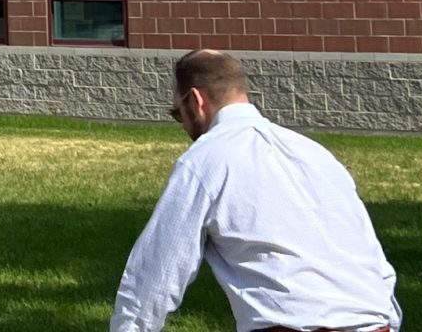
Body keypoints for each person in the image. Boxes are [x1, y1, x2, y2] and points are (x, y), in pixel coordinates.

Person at [111, 50, 401, 332]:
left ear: (196, 101)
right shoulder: (316, 154)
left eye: (178, 113)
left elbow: (155, 274)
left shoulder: (205, 159)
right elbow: (372, 257)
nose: (183, 124)